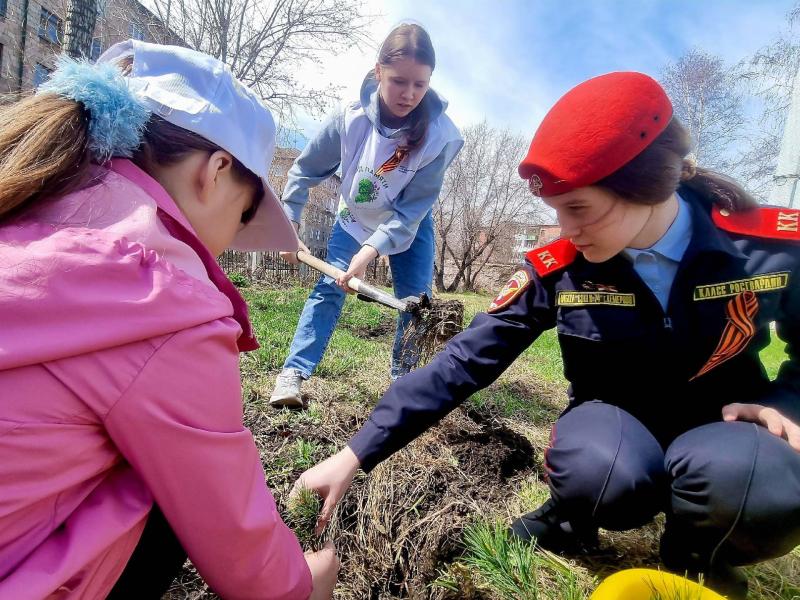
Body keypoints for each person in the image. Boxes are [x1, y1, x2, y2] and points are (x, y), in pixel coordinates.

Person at [292, 72, 800, 599]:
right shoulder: (561, 269)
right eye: (556, 211)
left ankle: (697, 553)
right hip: (614, 424)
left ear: (645, 184)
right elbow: (464, 361)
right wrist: (355, 454)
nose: (565, 229)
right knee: (594, 473)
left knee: (764, 491)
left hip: (725, 424)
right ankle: (570, 516)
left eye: (578, 208)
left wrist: (789, 402)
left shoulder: (765, 247)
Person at [0, 40, 339, 599]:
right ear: (217, 172)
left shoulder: (29, 200)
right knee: (164, 496)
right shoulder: (165, 301)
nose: (233, 239)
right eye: (247, 213)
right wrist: (304, 585)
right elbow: (233, 533)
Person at [269, 23, 463, 408]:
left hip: (408, 223)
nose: (409, 94)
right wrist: (289, 219)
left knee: (415, 302)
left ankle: (403, 385)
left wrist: (372, 251)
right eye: (398, 81)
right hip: (353, 216)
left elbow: (412, 208)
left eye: (420, 85)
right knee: (329, 288)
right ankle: (293, 374)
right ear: (378, 73)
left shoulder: (440, 136)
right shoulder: (350, 119)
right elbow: (304, 171)